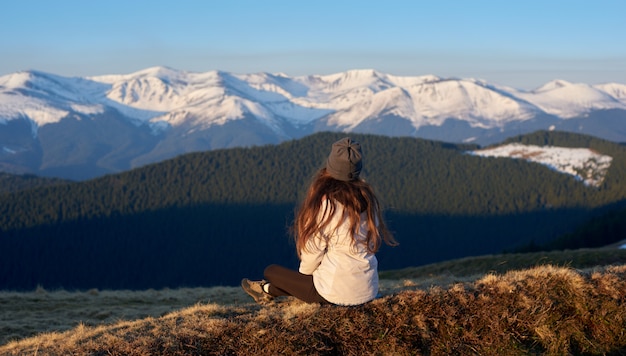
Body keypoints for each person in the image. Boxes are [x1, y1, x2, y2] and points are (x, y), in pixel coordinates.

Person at [241, 137, 397, 306]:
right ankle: (268, 289)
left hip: (333, 294)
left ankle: (266, 289)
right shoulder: (369, 199)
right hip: (368, 290)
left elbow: (313, 250)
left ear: (330, 166)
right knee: (297, 280)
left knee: (270, 271)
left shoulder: (327, 204)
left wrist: (302, 279)